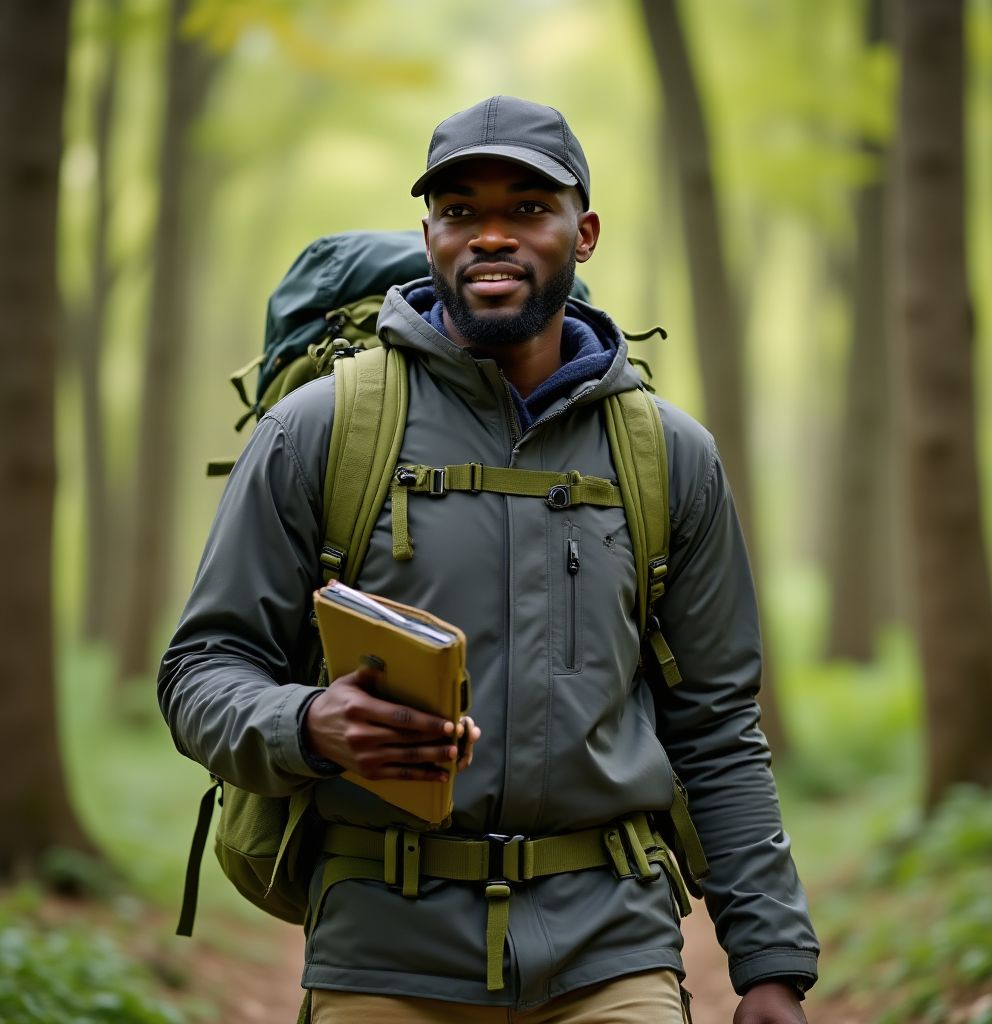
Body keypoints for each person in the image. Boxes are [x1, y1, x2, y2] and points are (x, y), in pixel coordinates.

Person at [159, 95, 818, 1023]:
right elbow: (199, 670)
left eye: (528, 209)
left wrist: (771, 963)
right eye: (460, 211)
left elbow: (715, 726)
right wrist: (308, 723)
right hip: (382, 949)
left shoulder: (666, 455)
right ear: (429, 233)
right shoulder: (320, 429)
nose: (491, 236)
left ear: (582, 233)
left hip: (613, 951)